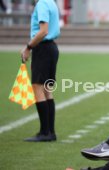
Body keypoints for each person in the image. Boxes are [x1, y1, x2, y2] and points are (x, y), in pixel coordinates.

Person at [21, 0, 60, 142]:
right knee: (47, 90)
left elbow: (43, 31)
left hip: (43, 49)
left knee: (37, 87)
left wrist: (28, 47)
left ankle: (45, 133)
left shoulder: (42, 3)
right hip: (51, 48)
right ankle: (50, 132)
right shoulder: (51, 2)